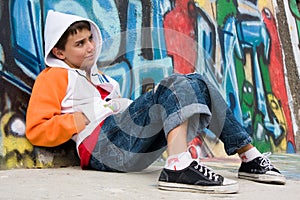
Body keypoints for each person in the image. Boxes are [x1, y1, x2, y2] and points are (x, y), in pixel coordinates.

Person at [26, 10, 286, 194]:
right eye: (79, 44)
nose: (90, 47)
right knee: (172, 84)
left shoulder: (98, 77)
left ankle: (249, 156)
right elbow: (36, 129)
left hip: (124, 143)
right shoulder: (55, 76)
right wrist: (79, 118)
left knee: (198, 81)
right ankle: (177, 165)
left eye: (90, 39)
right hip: (101, 148)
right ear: (59, 52)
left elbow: (116, 110)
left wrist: (121, 105)